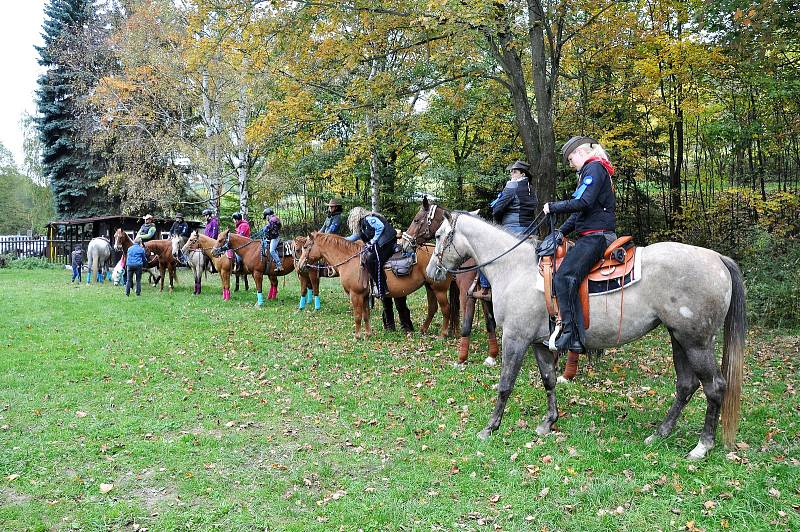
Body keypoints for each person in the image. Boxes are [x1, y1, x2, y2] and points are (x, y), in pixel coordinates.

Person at [543, 136, 617, 354]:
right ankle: (576, 338)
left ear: (581, 153)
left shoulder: (593, 168)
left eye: (570, 158)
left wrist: (553, 207)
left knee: (563, 276)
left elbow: (582, 203)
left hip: (597, 237)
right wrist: (560, 233)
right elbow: (581, 213)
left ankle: (569, 330)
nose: (570, 163)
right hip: (591, 234)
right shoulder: (593, 169)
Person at [474, 160, 539, 300]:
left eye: (514, 171)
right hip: (530, 231)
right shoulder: (531, 189)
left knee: (483, 251)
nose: (511, 174)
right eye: (511, 171)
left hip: (512, 230)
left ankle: (485, 288)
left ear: (522, 173)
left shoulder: (512, 186)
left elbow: (497, 209)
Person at [345, 206, 397, 298]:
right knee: (367, 258)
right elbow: (353, 238)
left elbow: (380, 227)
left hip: (387, 241)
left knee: (372, 260)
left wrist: (373, 241)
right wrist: (339, 240)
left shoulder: (369, 219)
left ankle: (382, 288)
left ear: (357, 216)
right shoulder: (361, 226)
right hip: (380, 243)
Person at [257, 207, 283, 271]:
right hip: (272, 237)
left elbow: (271, 229)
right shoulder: (274, 219)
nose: (266, 219)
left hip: (275, 238)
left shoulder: (273, 220)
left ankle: (279, 264)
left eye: (266, 217)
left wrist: (266, 229)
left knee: (272, 250)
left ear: (268, 215)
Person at [203, 208, 219, 272]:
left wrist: (210, 241)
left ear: (208, 215)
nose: (204, 217)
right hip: (207, 242)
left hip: (212, 242)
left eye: (205, 215)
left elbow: (214, 233)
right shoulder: (207, 223)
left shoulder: (214, 222)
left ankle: (214, 267)